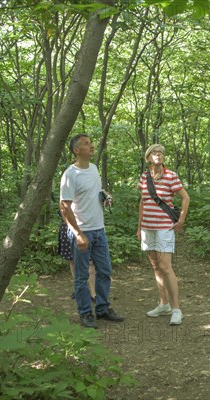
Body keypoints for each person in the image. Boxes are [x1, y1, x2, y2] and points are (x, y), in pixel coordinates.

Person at [60, 134, 124, 329]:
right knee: (81, 276)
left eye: (91, 143)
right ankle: (85, 313)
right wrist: (78, 234)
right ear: (76, 150)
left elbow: (93, 193)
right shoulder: (70, 174)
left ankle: (103, 309)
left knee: (104, 271)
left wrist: (104, 197)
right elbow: (64, 207)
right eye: (86, 144)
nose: (91, 146)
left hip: (99, 230)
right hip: (83, 231)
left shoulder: (94, 169)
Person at [137, 144, 190, 326]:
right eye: (154, 152)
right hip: (147, 227)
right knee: (156, 267)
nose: (158, 155)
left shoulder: (171, 176)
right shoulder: (145, 177)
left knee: (166, 267)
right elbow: (143, 202)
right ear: (148, 157)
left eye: (160, 153)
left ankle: (176, 309)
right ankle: (163, 304)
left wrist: (181, 220)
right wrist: (139, 227)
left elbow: (185, 197)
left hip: (164, 227)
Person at [56, 210, 96, 301]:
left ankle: (94, 294)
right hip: (68, 228)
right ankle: (79, 290)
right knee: (72, 260)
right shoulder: (66, 196)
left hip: (87, 229)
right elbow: (63, 210)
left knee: (90, 262)